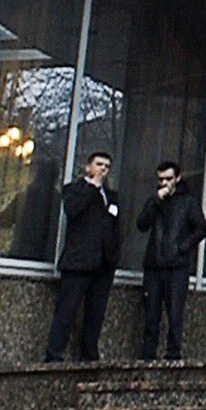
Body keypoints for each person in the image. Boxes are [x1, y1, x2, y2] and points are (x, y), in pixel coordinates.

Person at [44, 150, 120, 363]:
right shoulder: (74, 190)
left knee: (95, 314)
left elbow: (114, 227)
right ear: (88, 167)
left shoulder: (111, 196)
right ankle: (55, 353)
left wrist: (113, 256)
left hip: (103, 264)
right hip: (79, 261)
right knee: (67, 309)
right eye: (99, 164)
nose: (103, 169)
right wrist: (91, 188)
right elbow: (73, 211)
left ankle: (89, 354)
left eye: (106, 165)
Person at [135, 159, 206, 360]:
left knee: (175, 313)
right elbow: (141, 224)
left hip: (177, 266)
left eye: (168, 178)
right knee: (151, 315)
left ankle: (173, 355)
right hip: (154, 265)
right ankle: (148, 355)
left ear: (177, 178)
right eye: (160, 179)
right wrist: (156, 200)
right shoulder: (156, 200)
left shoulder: (188, 202)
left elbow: (201, 228)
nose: (164, 183)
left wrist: (182, 248)